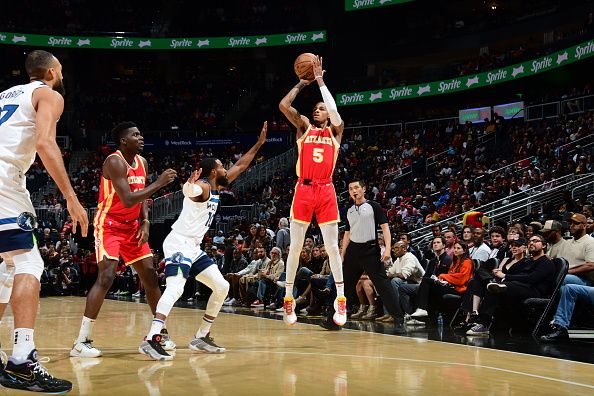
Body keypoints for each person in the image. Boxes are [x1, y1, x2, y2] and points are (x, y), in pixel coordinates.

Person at [139, 123, 267, 360]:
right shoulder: (204, 187)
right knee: (176, 287)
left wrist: (259, 144)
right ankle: (152, 337)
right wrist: (188, 185)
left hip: (193, 248)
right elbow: (191, 191)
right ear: (212, 171)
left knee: (222, 286)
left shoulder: (216, 185)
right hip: (178, 243)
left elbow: (241, 165)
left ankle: (201, 336)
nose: (225, 169)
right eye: (221, 166)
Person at [0, 50, 88, 393]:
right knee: (28, 264)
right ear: (51, 71)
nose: (62, 74)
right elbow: (44, 141)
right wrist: (70, 197)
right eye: (61, 69)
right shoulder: (48, 94)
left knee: (6, 269)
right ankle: (23, 359)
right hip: (5, 179)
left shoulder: (5, 95)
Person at [71, 122, 177, 358]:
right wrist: (159, 183)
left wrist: (146, 222)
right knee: (107, 276)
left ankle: (159, 334)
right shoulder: (114, 161)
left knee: (150, 277)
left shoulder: (143, 162)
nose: (140, 137)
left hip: (132, 227)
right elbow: (128, 199)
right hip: (109, 225)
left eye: (140, 133)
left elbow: (141, 200)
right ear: (123, 140)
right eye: (135, 134)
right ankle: (81, 341)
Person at [278, 56, 346, 327]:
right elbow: (284, 106)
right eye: (316, 108)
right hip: (304, 190)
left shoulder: (336, 132)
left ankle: (341, 299)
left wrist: (320, 81)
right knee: (295, 246)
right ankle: (288, 297)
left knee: (331, 247)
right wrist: (301, 83)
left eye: (321, 108)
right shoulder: (304, 127)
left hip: (326, 190)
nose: (317, 111)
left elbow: (336, 113)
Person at [330, 180, 406, 332]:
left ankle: (398, 319)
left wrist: (387, 249)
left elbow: (385, 228)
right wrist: (343, 253)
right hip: (352, 251)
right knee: (344, 287)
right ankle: (335, 319)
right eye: (351, 189)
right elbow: (347, 233)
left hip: (370, 250)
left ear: (364, 189)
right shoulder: (349, 210)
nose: (354, 190)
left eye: (357, 187)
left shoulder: (373, 206)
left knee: (383, 285)